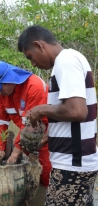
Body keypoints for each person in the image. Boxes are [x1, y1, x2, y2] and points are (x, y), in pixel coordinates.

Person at [18, 25, 98, 205]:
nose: (33, 64)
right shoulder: (68, 61)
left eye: (30, 57)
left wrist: (40, 110)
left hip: (72, 166)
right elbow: (76, 114)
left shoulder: (66, 61)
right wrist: (49, 136)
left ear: (39, 45)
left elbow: (77, 111)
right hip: (77, 163)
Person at [0, 60, 52, 187]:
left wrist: (15, 154)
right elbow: (1, 121)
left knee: (46, 174)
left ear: (9, 80)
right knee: (28, 175)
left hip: (45, 137)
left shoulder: (34, 87)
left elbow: (31, 125)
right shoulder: (2, 93)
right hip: (25, 137)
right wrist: (0, 149)